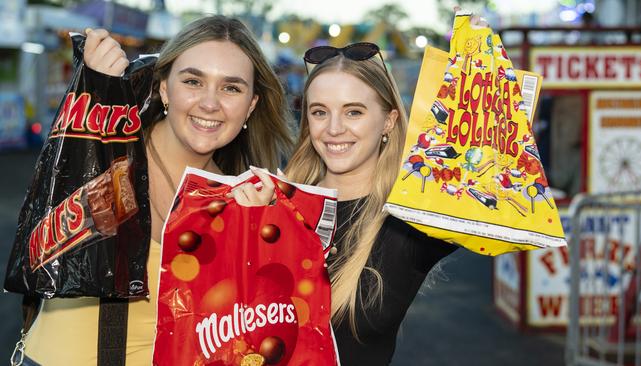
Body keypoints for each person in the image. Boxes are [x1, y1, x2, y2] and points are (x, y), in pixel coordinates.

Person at [20, 15, 291, 365]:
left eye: (231, 88)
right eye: (193, 81)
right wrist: (90, 94)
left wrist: (264, 243)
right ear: (165, 88)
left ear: (251, 105)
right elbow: (44, 226)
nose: (210, 103)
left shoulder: (242, 199)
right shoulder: (105, 154)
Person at [283, 43, 459, 364]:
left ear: (389, 121)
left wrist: (475, 44)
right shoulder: (275, 205)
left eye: (354, 111)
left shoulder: (408, 220)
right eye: (320, 111)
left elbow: (491, 176)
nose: (334, 128)